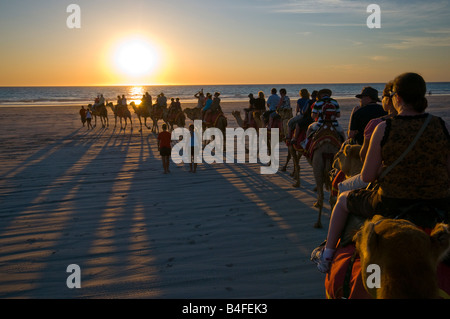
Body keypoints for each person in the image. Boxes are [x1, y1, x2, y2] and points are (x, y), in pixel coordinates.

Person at [312, 72, 450, 273]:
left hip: (391, 202)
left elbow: (367, 177)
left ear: (398, 98)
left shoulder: (385, 128)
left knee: (342, 201)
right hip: (438, 203)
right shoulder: (442, 125)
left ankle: (326, 256)